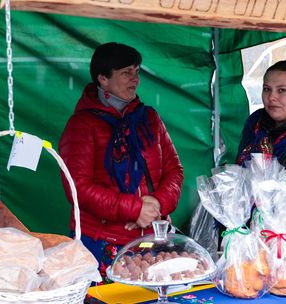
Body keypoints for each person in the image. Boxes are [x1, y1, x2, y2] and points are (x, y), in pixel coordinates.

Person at [59, 42, 184, 283]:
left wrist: (157, 204)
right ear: (102, 79)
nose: (134, 79)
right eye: (126, 73)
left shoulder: (149, 118)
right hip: (102, 240)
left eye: (136, 72)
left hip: (151, 239)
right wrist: (134, 209)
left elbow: (174, 170)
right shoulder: (82, 125)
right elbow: (78, 188)